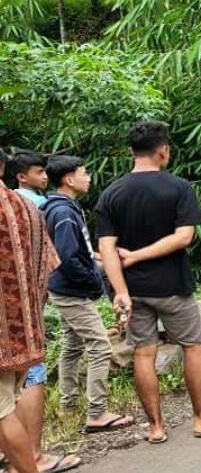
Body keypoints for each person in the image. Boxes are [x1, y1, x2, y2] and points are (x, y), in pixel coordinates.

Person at [96, 121, 201, 442]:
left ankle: (155, 427)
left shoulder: (112, 193)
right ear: (163, 150)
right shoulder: (178, 188)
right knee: (192, 346)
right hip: (173, 287)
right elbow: (184, 237)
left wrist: (121, 290)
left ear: (132, 152)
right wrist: (137, 256)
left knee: (142, 354)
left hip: (133, 290)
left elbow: (106, 248)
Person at [42, 156, 133, 433]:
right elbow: (68, 257)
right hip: (72, 291)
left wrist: (100, 258)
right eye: (84, 172)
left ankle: (67, 404)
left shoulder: (62, 208)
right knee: (100, 347)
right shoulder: (64, 213)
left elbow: (77, 250)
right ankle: (97, 412)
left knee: (72, 346)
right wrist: (93, 278)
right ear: (69, 179)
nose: (89, 176)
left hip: (64, 287)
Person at [6, 150, 82, 473]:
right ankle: (31, 460)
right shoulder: (30, 207)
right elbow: (50, 261)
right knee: (27, 381)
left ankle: (21, 469)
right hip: (24, 320)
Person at [0, 146, 60, 473]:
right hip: (25, 327)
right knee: (13, 398)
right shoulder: (28, 207)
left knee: (0, 409)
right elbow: (49, 263)